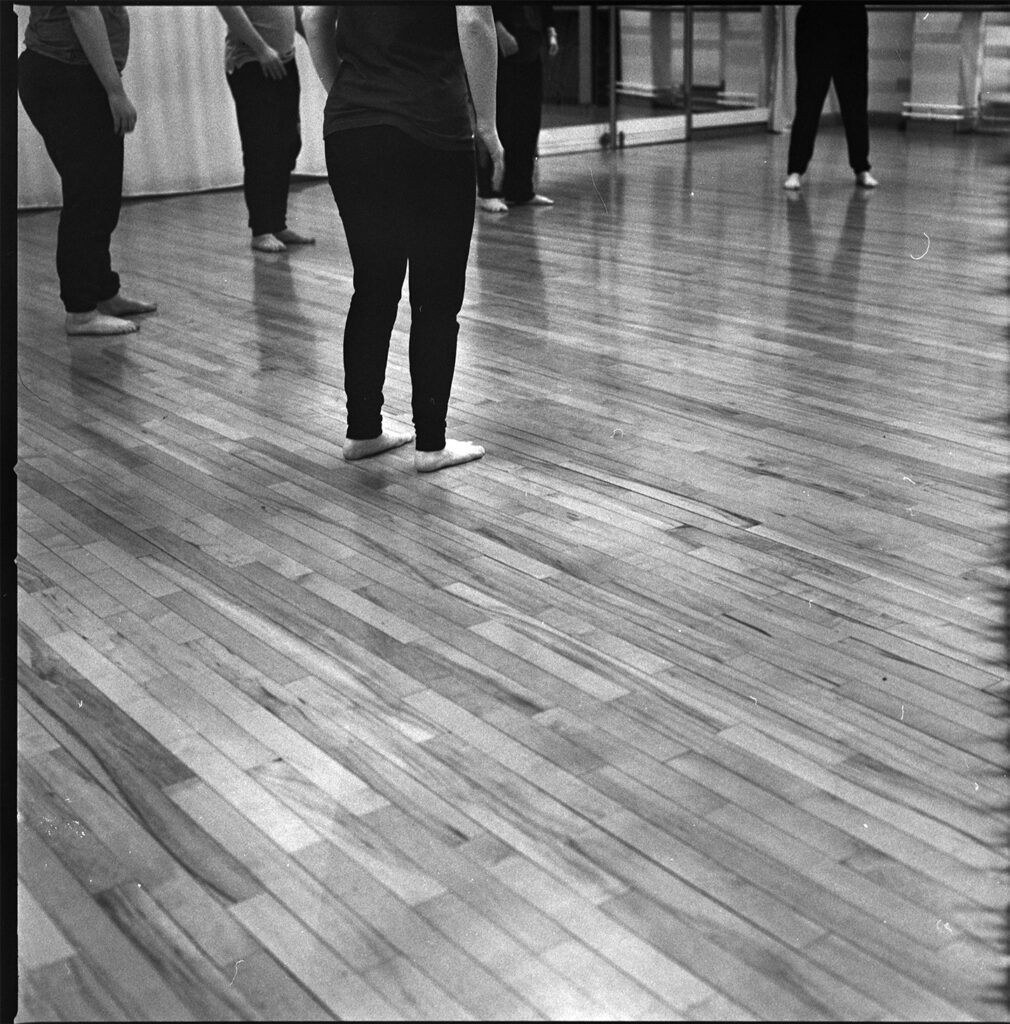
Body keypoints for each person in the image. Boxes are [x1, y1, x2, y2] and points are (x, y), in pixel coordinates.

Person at [302, 5, 504, 473]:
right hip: (430, 124)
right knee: (436, 295)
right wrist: (488, 125)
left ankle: (363, 431)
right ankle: (431, 443)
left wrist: (350, 95)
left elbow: (313, 17)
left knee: (373, 285)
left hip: (352, 125)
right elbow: (473, 20)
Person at [17, 5, 156, 336]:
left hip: (69, 72)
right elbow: (81, 9)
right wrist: (115, 90)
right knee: (89, 195)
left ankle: (102, 292)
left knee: (100, 194)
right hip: (68, 74)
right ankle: (81, 312)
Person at [217, 5, 315, 253]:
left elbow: (294, 11)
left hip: (284, 60)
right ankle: (261, 230)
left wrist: (320, 42)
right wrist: (261, 49)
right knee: (261, 147)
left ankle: (277, 224)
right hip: (252, 62)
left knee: (288, 144)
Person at [784, 2, 879, 192]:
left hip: (851, 19)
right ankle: (796, 170)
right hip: (815, 18)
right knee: (808, 98)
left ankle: (861, 166)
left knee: (855, 98)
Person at [476, 3, 558, 213]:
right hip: (501, 44)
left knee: (528, 121)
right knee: (501, 118)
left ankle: (521, 190)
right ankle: (489, 192)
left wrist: (550, 29)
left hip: (530, 43)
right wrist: (497, 28)